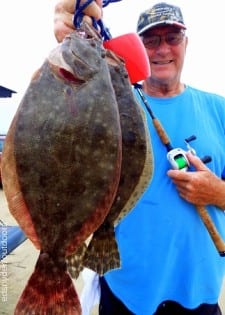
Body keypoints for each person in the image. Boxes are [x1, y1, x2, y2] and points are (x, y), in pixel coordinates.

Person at [54, 1, 225, 314]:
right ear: (138, 46)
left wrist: (218, 192)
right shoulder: (110, 105)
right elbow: (67, 130)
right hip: (125, 291)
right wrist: (70, 41)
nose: (162, 50)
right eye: (151, 40)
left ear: (186, 43)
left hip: (199, 290)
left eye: (172, 38)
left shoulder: (219, 109)